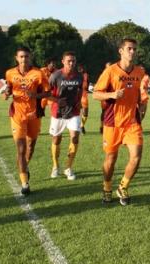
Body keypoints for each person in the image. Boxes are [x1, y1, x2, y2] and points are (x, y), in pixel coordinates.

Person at [92, 38, 148, 206]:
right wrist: (112, 95)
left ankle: (123, 186)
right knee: (111, 158)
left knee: (136, 156)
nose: (132, 52)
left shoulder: (139, 72)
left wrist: (142, 105)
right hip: (112, 123)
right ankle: (107, 187)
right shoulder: (110, 71)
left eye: (134, 49)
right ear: (121, 51)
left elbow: (140, 94)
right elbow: (95, 93)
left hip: (132, 122)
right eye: (129, 49)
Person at [3, 46, 50, 195]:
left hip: (34, 115)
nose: (24, 59)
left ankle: (25, 167)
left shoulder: (38, 73)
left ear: (31, 58)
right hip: (17, 116)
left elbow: (47, 92)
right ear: (16, 58)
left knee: (30, 147)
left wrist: (35, 96)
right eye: (21, 57)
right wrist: (7, 92)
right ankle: (25, 184)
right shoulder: (10, 73)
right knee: (21, 149)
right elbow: (9, 87)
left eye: (27, 57)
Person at [47, 51, 84, 180]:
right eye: (69, 61)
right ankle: (55, 166)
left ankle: (68, 168)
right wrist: (57, 101)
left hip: (73, 112)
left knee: (75, 138)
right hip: (58, 112)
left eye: (73, 61)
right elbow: (47, 93)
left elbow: (80, 90)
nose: (71, 63)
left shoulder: (79, 76)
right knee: (56, 139)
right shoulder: (55, 76)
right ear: (63, 61)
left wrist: (79, 101)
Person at [77, 63, 90, 135]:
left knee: (85, 113)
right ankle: (79, 127)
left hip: (84, 95)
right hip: (76, 96)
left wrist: (89, 87)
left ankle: (81, 126)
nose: (80, 69)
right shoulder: (74, 75)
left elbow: (86, 85)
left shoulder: (86, 75)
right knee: (77, 113)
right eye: (79, 68)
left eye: (82, 68)